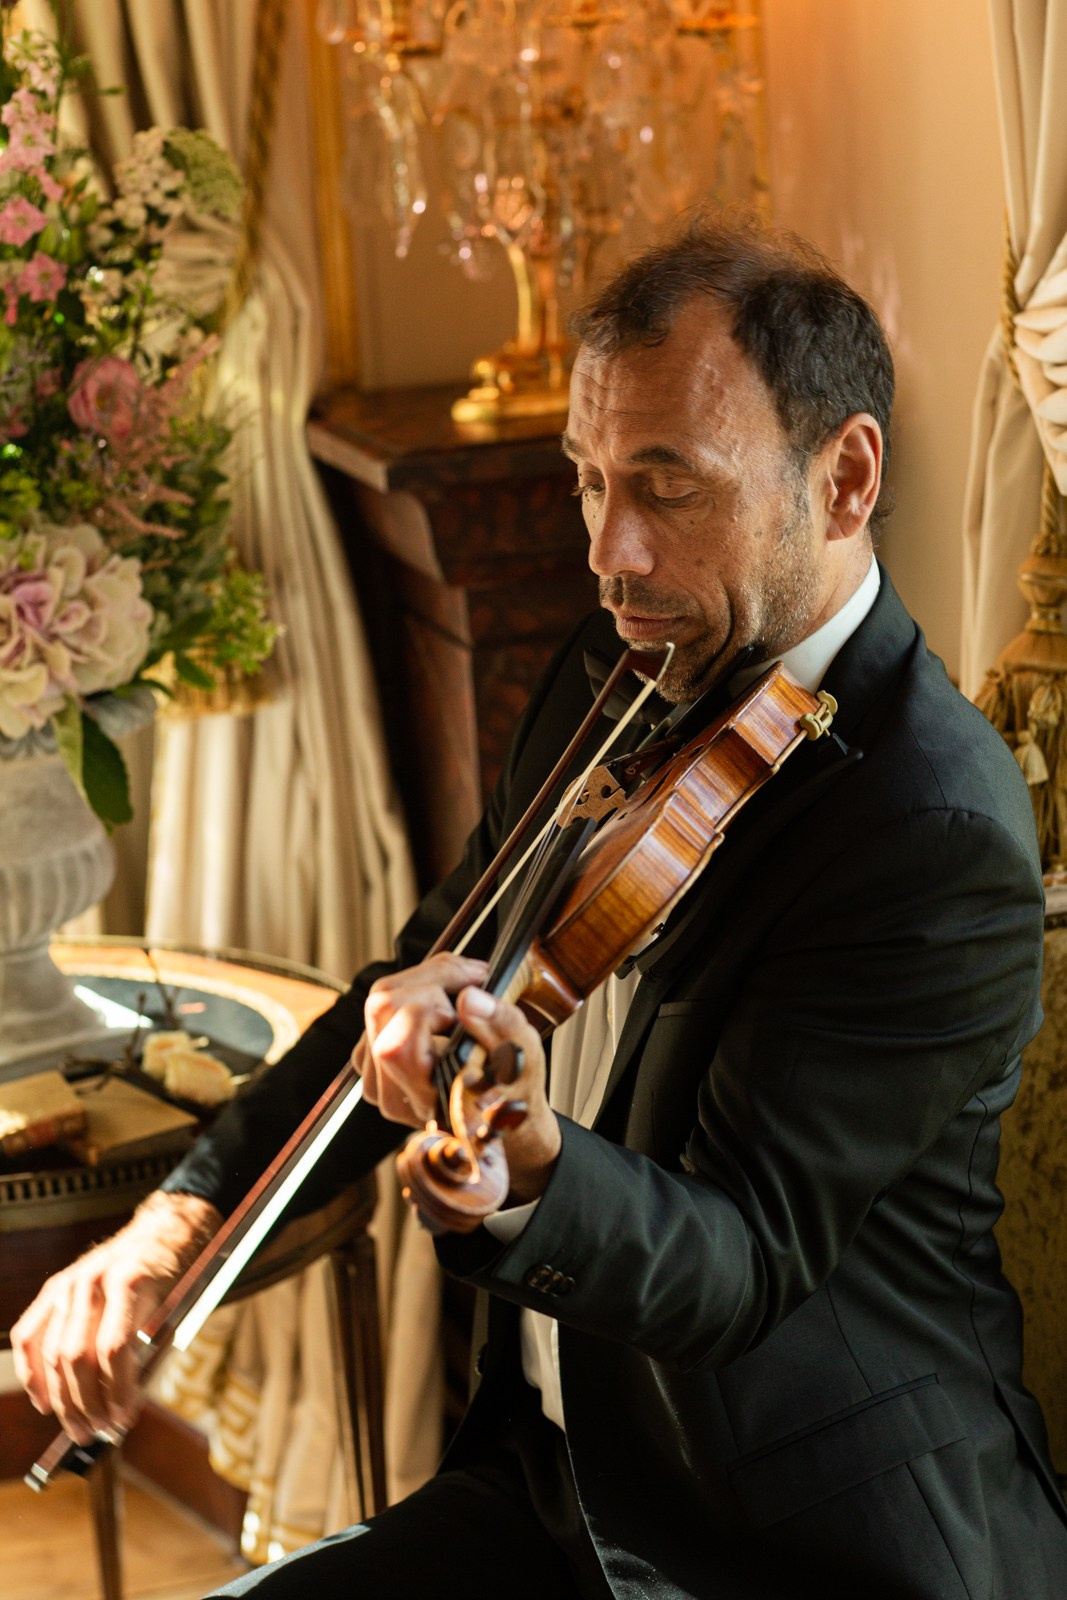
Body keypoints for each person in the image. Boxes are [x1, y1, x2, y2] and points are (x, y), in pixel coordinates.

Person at [13, 216, 1067, 1600]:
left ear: (846, 478)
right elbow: (423, 976)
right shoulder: (621, 668)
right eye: (588, 485)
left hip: (796, 1548)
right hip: (552, 1499)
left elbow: (743, 1258)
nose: (610, 552)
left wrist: (538, 1163)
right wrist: (170, 1232)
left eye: (668, 485)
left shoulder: (925, 825)